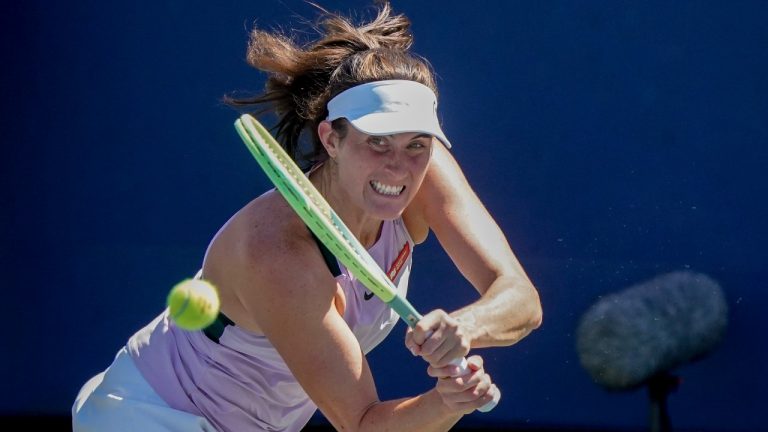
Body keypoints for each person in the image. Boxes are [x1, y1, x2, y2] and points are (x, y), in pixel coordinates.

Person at [72, 3, 542, 431]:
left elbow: (521, 299)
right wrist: (447, 402)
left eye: (415, 143)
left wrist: (465, 328)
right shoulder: (277, 253)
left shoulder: (424, 168)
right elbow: (361, 424)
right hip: (151, 418)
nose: (398, 165)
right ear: (331, 139)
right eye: (376, 141)